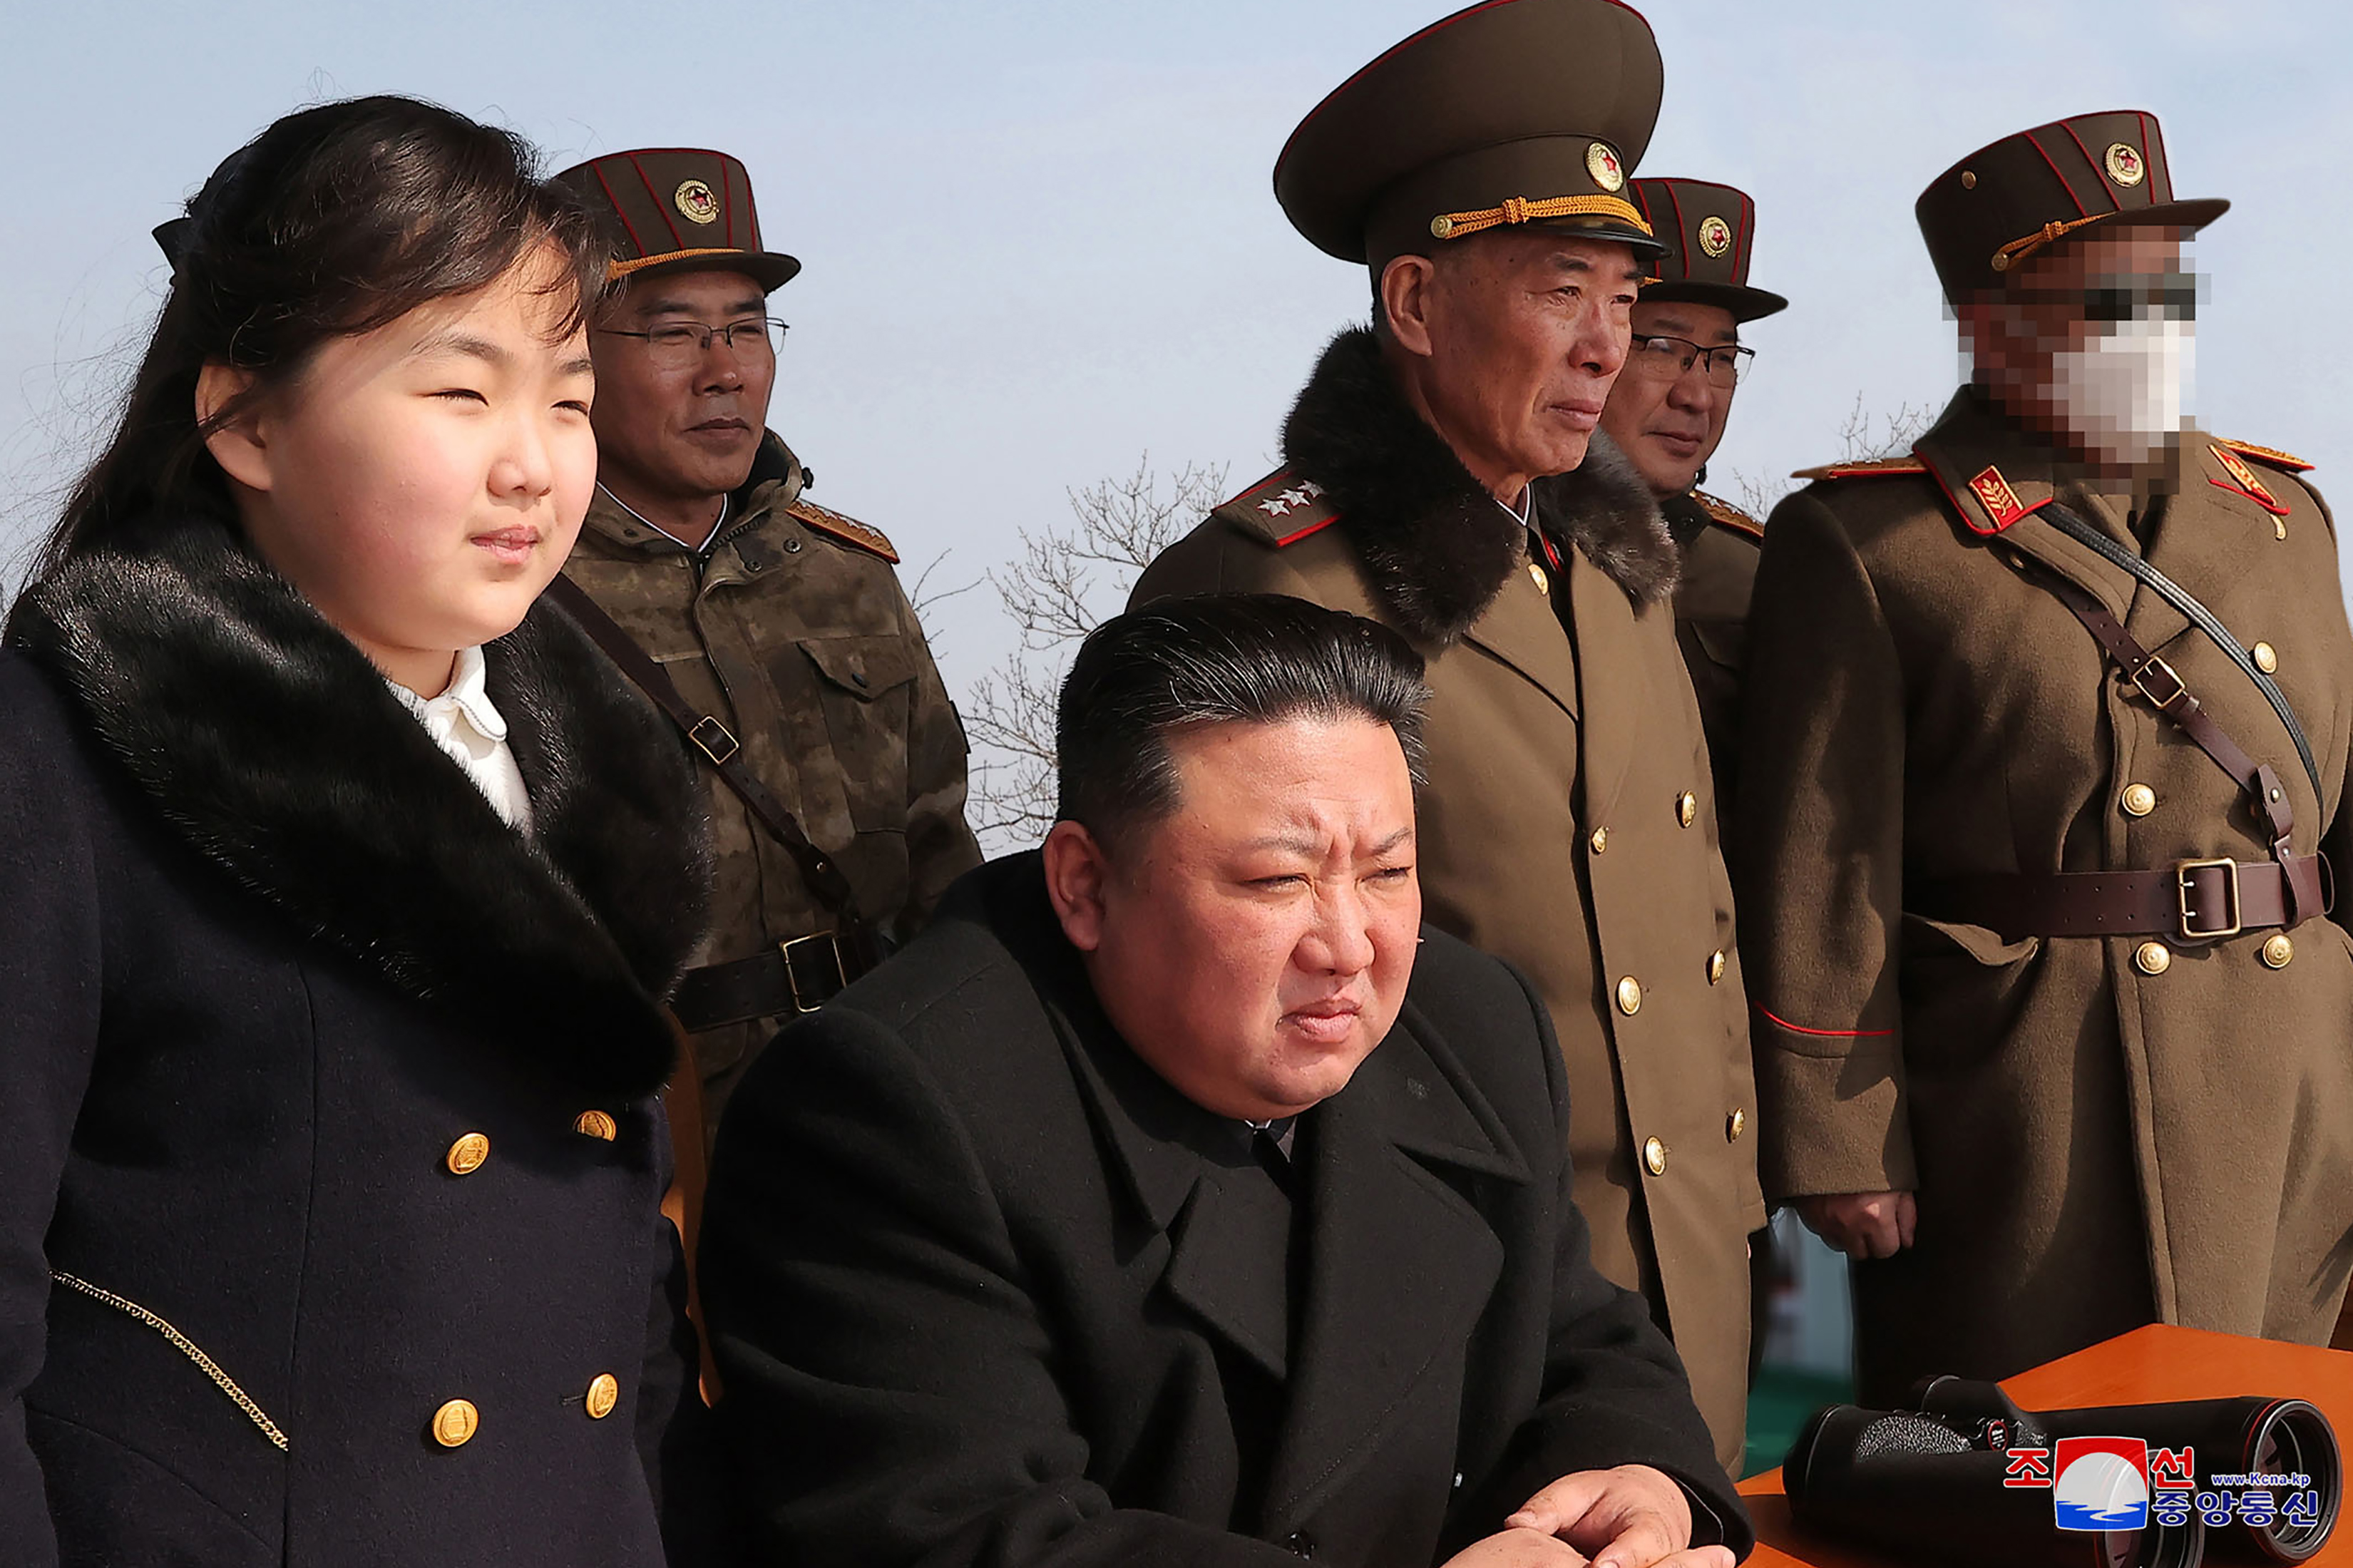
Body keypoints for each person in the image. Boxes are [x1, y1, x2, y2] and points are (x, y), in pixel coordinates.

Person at [0, 98, 714, 1566]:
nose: (534, 464)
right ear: (246, 417)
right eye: (462, 394)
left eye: (568, 400)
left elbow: (625, 1308)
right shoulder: (61, 756)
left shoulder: (601, 775)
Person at [699, 594, 1753, 1568]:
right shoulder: (885, 1106)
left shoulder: (1469, 1023)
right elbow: (962, 1533)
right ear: (1085, 883)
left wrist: (1640, 1476)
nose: (1350, 943)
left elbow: (1577, 1335)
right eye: (1277, 879)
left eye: (1389, 870)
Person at [1131, 0, 1759, 1472]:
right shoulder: (1278, 585)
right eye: (1564, 290)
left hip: (1684, 1262)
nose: (1609, 347)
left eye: (1625, 295)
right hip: (1434, 1280)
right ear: (1414, 305)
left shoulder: (1616, 566)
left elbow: (1694, 898)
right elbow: (1186, 999)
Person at [1736, 111, 2353, 1402]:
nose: (2153, 326)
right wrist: (1843, 1133)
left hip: (2288, 1068)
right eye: (2107, 298)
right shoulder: (1878, 539)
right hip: (2031, 1082)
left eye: (2167, 289)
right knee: (2054, 1474)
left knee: (2283, 1460)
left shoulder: (2287, 515)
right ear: (1994, 322)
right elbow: (1822, 861)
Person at [550, 148, 980, 1149]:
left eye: (748, 328)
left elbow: (941, 862)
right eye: (673, 333)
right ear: (567, 352)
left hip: (876, 1089)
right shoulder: (516, 592)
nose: (727, 369)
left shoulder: (848, 575)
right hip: (636, 1127)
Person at [1599, 178, 1787, 818]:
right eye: (1662, 348)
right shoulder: (1497, 548)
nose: (1697, 395)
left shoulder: (1757, 578)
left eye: (1722, 357)